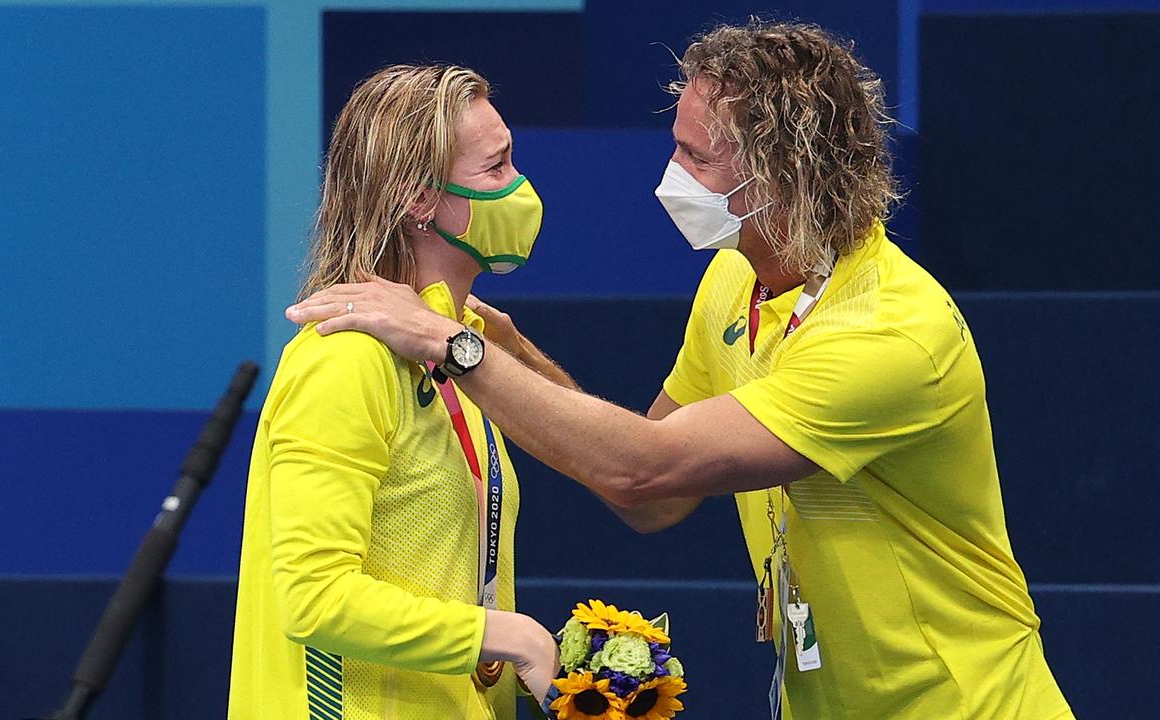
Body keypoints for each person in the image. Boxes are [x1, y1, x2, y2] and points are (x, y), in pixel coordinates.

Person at [286, 21, 1076, 720]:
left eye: (695, 155)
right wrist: (516, 355)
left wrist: (457, 350)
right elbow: (654, 500)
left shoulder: (890, 333)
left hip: (965, 703)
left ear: (779, 175)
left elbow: (642, 470)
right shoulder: (734, 278)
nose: (669, 174)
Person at [228, 64, 561, 720]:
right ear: (419, 200)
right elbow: (316, 599)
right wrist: (507, 635)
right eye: (497, 168)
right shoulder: (346, 358)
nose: (521, 188)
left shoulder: (458, 351)